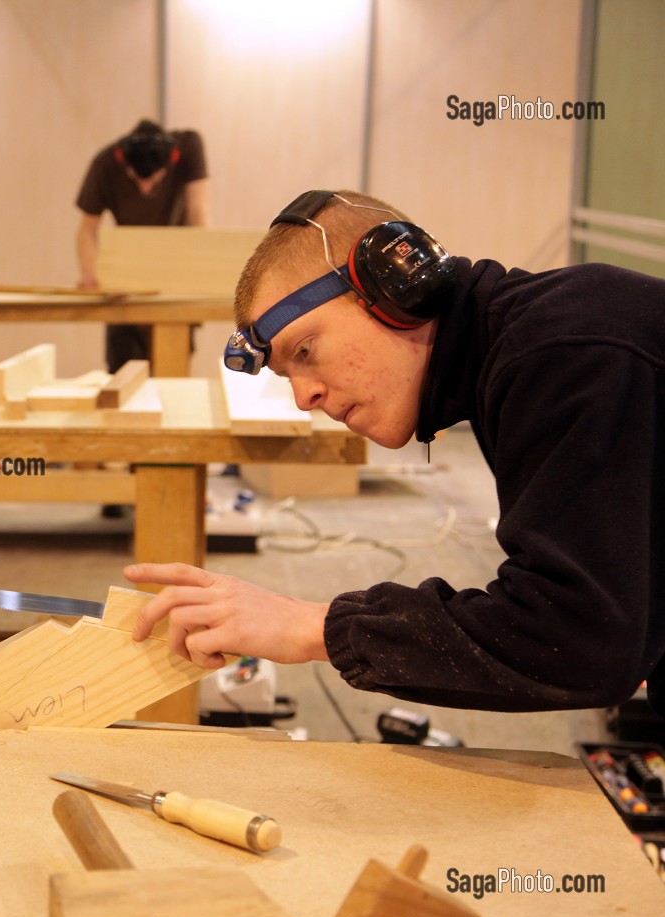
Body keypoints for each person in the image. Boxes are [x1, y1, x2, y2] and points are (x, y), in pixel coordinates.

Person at [125, 188, 665, 715]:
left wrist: (312, 626)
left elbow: (582, 641)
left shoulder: (568, 354)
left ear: (398, 283)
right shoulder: (526, 357)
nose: (303, 396)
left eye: (306, 350)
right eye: (288, 373)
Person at [75, 119, 209, 373]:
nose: (145, 187)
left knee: (171, 375)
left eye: (154, 181)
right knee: (123, 371)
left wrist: (201, 270)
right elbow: (87, 229)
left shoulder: (189, 146)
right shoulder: (104, 163)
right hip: (126, 281)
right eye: (137, 180)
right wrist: (90, 274)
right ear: (121, 158)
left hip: (175, 278)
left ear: (172, 159)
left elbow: (198, 210)